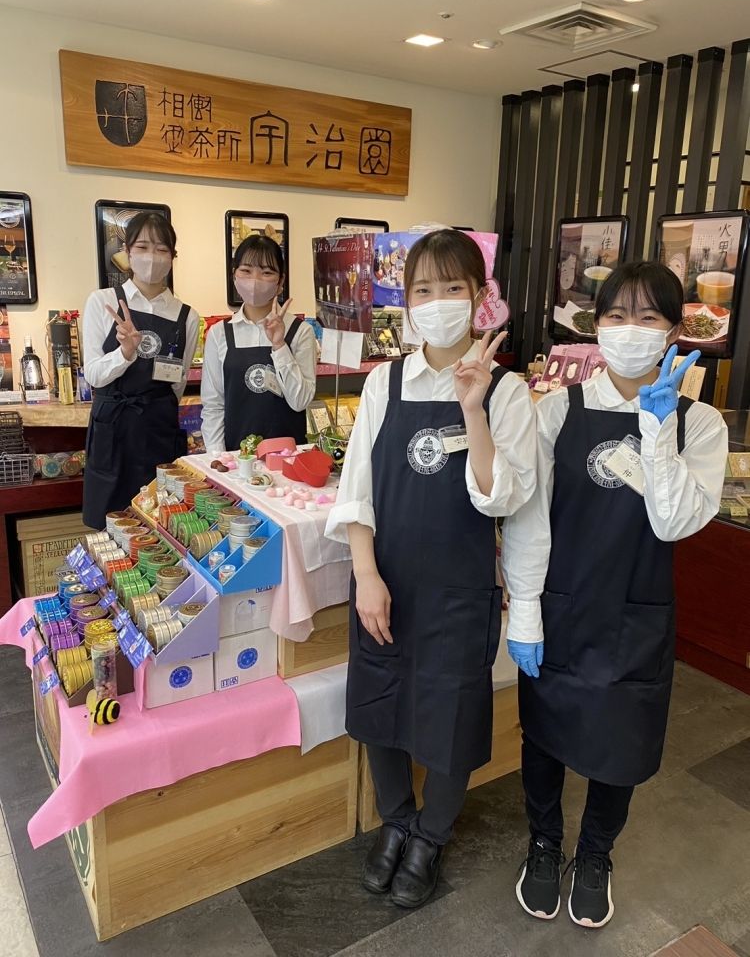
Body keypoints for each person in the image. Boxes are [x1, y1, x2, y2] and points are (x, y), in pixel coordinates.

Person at [502, 261, 728, 930]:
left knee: (622, 744)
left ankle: (596, 854)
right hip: (563, 604)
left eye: (649, 317)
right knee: (542, 738)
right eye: (616, 316)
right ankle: (544, 843)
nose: (631, 331)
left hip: (637, 613)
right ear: (595, 325)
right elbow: (529, 518)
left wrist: (657, 430)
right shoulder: (556, 411)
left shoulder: (699, 424)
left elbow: (675, 522)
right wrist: (525, 609)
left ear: (675, 330)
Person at [325, 228, 537, 909]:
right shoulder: (385, 381)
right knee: (380, 707)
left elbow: (501, 496)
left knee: (450, 716)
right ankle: (396, 820)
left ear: (480, 298)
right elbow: (356, 488)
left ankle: (431, 836)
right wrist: (366, 574)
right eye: (424, 290)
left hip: (458, 590)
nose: (438, 301)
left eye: (453, 287)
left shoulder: (507, 391)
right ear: (407, 302)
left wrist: (472, 407)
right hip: (389, 579)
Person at [82, 212, 199, 529]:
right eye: (143, 247)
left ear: (173, 257)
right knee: (110, 525)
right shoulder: (103, 302)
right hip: (113, 430)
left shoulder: (187, 316)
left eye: (162, 249)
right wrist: (125, 353)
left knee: (162, 524)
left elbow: (176, 381)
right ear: (127, 251)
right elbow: (93, 374)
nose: (152, 257)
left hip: (157, 430)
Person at [201, 234, 316, 452]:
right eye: (246, 270)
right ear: (234, 276)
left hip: (289, 459)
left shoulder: (301, 331)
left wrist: (280, 346)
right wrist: (217, 458)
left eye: (266, 272)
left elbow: (300, 401)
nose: (255, 280)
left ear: (280, 281)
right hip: (237, 459)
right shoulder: (219, 334)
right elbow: (213, 405)